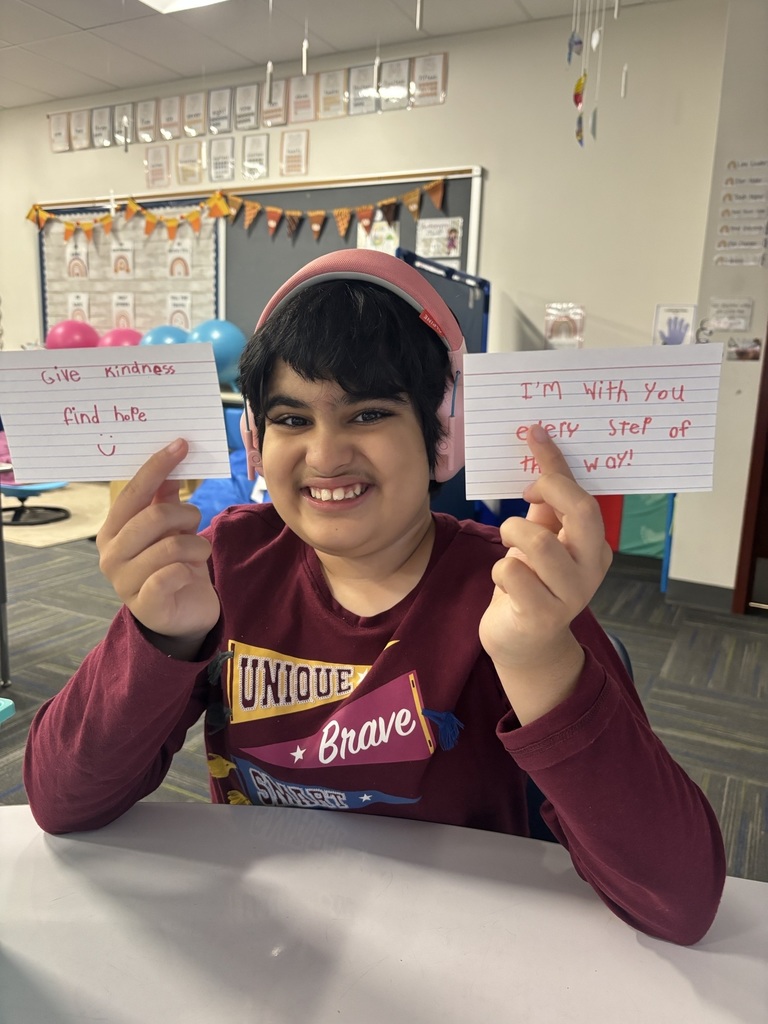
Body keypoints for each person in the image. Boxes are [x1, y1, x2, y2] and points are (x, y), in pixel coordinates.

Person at [24, 250, 725, 946]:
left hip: (464, 953)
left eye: (367, 414)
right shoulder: (227, 565)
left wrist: (542, 659)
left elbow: (679, 901)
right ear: (254, 438)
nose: (326, 456)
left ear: (440, 435)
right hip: (269, 948)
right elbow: (63, 801)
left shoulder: (513, 593)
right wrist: (159, 638)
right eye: (292, 420)